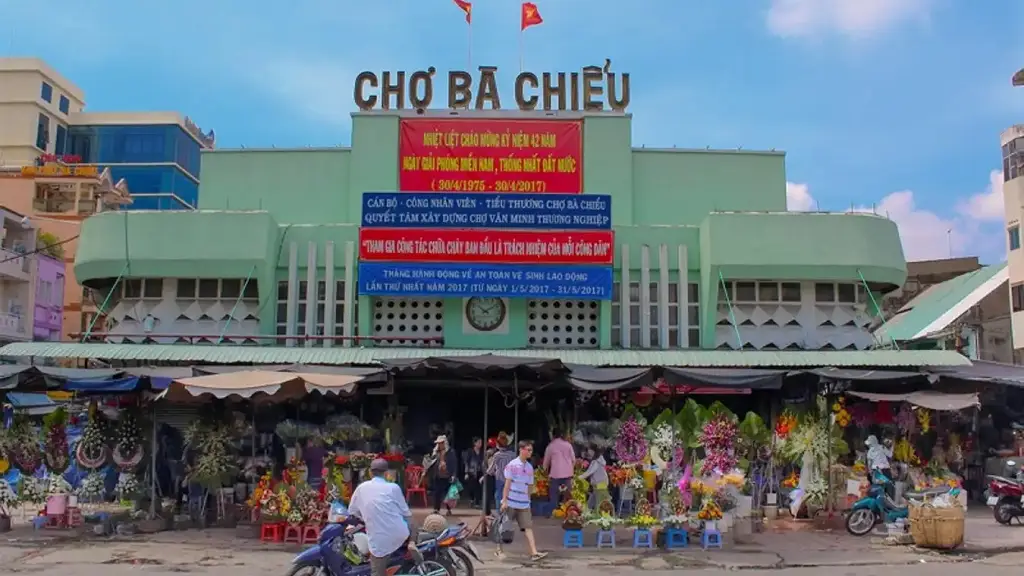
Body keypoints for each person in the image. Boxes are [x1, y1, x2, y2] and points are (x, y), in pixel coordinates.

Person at [347, 458, 414, 576]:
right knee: (408, 524)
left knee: (376, 570)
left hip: (380, 541)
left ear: (370, 472)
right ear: (386, 473)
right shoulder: (394, 488)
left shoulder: (361, 488)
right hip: (401, 534)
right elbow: (406, 513)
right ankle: (412, 543)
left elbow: (352, 512)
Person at [499, 440, 548, 562]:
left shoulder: (529, 467)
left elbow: (530, 485)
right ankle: (499, 550)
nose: (530, 452)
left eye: (531, 450)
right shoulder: (512, 465)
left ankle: (534, 552)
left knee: (528, 527)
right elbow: (507, 484)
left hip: (523, 503)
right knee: (504, 526)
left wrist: (528, 498)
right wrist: (504, 501)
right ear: (521, 450)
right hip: (511, 501)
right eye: (528, 450)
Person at [542, 428, 575, 516]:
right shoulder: (568, 445)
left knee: (554, 495)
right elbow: (573, 460)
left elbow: (545, 463)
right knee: (568, 495)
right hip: (568, 474)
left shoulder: (550, 446)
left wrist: (545, 472)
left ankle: (553, 513)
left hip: (555, 474)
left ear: (553, 435)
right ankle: (569, 514)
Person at [424, 435, 458, 514]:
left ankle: (449, 509)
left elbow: (454, 464)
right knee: (437, 493)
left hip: (447, 476)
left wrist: (454, 475)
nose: (439, 445)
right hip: (438, 475)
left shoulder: (451, 452)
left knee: (448, 494)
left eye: (441, 443)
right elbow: (430, 462)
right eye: (438, 443)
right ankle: (436, 509)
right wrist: (426, 467)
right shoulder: (435, 452)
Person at [487, 432, 515, 513]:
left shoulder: (497, 455)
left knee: (498, 495)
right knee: (509, 495)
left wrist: (485, 474)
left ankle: (499, 512)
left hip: (499, 478)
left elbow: (491, 469)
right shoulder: (512, 455)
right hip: (510, 479)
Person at [463, 437, 485, 508]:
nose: (480, 444)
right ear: (475, 443)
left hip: (480, 472)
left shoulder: (482, 452)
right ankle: (471, 499)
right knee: (471, 487)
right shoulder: (470, 451)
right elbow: (466, 462)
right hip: (471, 471)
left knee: (478, 487)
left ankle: (477, 503)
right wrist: (466, 472)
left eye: (481, 442)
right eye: (479, 442)